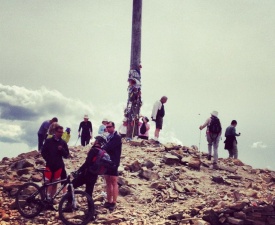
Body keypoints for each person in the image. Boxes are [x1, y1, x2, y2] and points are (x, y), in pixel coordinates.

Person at [41, 126, 69, 198]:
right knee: (48, 183)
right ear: (55, 132)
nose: (61, 134)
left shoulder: (63, 142)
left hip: (58, 165)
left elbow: (66, 155)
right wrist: (48, 159)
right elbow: (43, 151)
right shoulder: (48, 141)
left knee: (55, 183)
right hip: (49, 165)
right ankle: (46, 197)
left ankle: (51, 199)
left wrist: (62, 149)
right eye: (59, 132)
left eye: (62, 132)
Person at [102, 121, 122, 211]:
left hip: (113, 161)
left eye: (110, 127)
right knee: (108, 181)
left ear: (113, 127)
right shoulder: (108, 137)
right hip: (107, 161)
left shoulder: (116, 137)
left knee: (113, 181)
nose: (108, 128)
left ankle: (114, 202)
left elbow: (108, 147)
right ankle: (109, 200)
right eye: (107, 127)